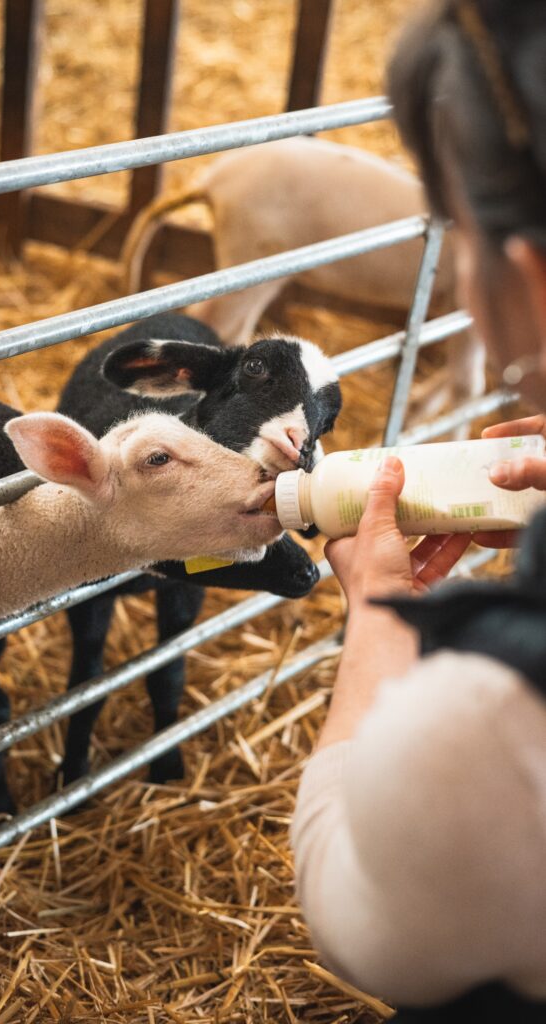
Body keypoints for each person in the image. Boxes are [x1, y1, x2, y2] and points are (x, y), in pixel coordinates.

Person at [291, 1, 546, 1019]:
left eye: (457, 241)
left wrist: (379, 615)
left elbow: (350, 909)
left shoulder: (494, 723)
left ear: (525, 273)